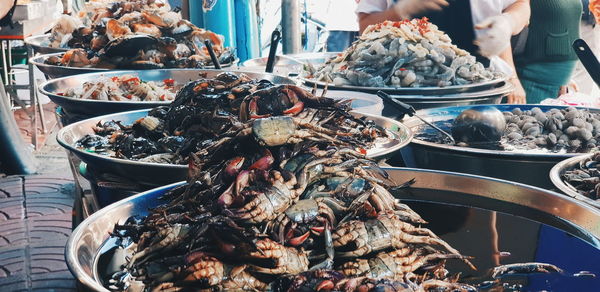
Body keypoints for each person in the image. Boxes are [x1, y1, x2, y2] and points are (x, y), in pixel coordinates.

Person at [355, 0, 530, 104]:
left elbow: (521, 4)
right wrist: (399, 11)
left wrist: (508, 21)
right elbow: (365, 26)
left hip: (475, 88)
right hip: (398, 91)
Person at [513, 0, 582, 104]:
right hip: (530, 83)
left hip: (557, 84)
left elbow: (566, 20)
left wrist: (562, 78)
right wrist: (512, 79)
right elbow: (500, 34)